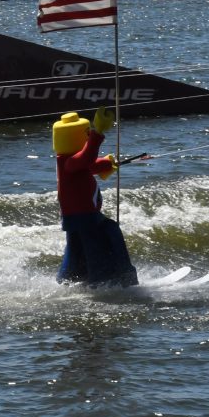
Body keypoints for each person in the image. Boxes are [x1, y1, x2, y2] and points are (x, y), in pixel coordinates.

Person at [53, 107, 138, 287]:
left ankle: (71, 278)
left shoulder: (71, 163)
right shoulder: (70, 162)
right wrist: (97, 132)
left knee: (77, 247)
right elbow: (86, 158)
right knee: (102, 239)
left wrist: (109, 162)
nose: (87, 137)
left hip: (82, 217)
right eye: (84, 134)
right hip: (83, 217)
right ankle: (106, 279)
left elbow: (90, 164)